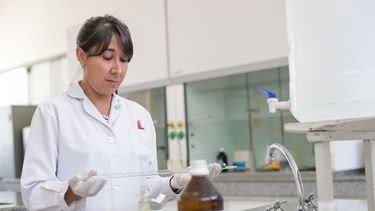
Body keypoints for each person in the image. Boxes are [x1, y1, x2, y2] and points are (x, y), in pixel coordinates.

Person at [20, 15, 222, 211]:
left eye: (124, 60)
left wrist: (174, 184)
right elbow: (33, 196)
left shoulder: (139, 116)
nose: (117, 69)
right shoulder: (53, 113)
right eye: (107, 57)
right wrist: (71, 192)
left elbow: (150, 200)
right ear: (81, 56)